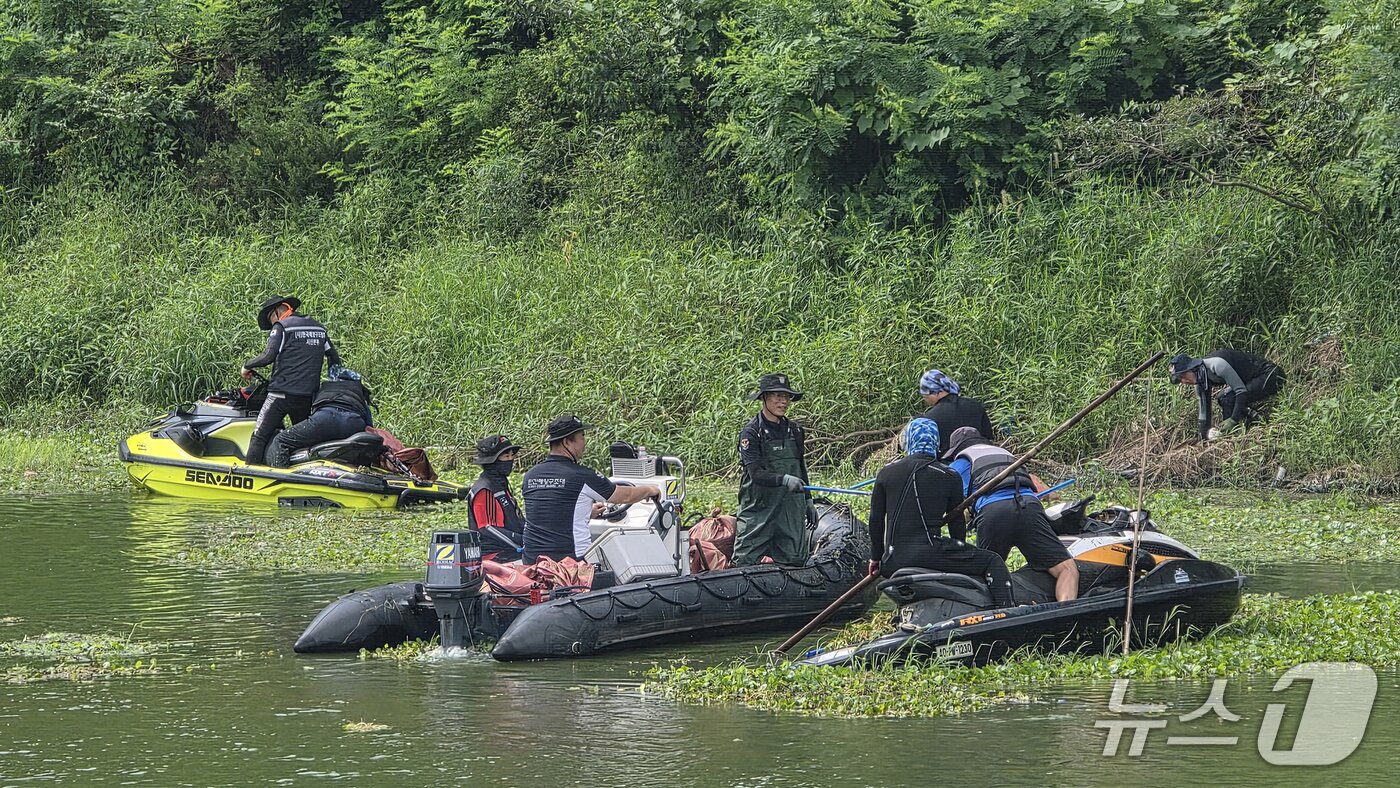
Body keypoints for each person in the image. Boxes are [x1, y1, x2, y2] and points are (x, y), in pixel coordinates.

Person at [868, 418, 1013, 603]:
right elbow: (956, 522)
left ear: (908, 441)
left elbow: (876, 520)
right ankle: (1005, 608)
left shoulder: (886, 473)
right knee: (992, 560)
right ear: (936, 442)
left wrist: (876, 558)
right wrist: (960, 550)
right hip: (930, 554)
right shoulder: (949, 475)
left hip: (892, 560)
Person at [945, 426, 1079, 602]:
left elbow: (954, 506)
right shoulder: (1005, 454)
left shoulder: (958, 465)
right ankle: (1065, 611)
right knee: (1067, 570)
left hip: (993, 514)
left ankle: (996, 614)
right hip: (1029, 508)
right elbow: (1037, 486)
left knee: (983, 577)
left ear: (956, 450)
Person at [520, 415, 660, 565]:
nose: (585, 442)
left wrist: (586, 511)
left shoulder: (531, 475)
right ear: (567, 442)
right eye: (582, 436)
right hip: (570, 563)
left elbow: (549, 508)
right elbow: (625, 496)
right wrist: (650, 490)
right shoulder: (581, 475)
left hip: (531, 562)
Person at [241, 296, 340, 465]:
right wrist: (333, 381)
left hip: (279, 396)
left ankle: (250, 473)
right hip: (306, 398)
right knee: (301, 440)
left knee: (259, 436)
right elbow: (334, 358)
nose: (272, 323)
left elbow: (268, 356)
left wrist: (247, 366)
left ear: (277, 312)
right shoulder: (319, 328)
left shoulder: (282, 327)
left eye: (271, 319)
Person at [733, 373, 813, 566]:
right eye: (778, 396)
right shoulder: (751, 432)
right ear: (764, 398)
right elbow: (755, 473)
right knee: (744, 559)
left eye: (786, 397)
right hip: (759, 508)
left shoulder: (795, 431)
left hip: (790, 508)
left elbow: (801, 466)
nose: (783, 402)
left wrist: (808, 501)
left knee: (795, 560)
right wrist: (784, 479)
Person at [265, 367, 372, 468]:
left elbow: (307, 410)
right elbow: (368, 427)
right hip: (354, 424)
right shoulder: (359, 395)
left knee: (280, 440)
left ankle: (281, 474)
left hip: (325, 419)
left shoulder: (326, 388)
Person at [1169, 350, 1286, 441]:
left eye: (1183, 376)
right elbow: (1204, 411)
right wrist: (1202, 438)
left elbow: (1241, 391)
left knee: (1228, 398)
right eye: (1180, 380)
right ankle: (1243, 424)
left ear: (1192, 369)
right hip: (1250, 380)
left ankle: (1240, 429)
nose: (1184, 381)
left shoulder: (1216, 365)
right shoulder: (1200, 380)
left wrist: (1233, 420)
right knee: (1223, 398)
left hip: (1271, 375)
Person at [467, 434, 527, 559]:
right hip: (495, 556)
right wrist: (522, 541)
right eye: (506, 456)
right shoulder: (485, 489)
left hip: (511, 552)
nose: (511, 460)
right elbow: (488, 528)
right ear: (493, 461)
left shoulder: (500, 484)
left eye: (512, 455)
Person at [917, 369, 994, 455]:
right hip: (982, 455)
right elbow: (988, 437)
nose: (925, 400)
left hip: (950, 461)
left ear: (936, 393)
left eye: (925, 396)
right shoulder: (975, 405)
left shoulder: (930, 418)